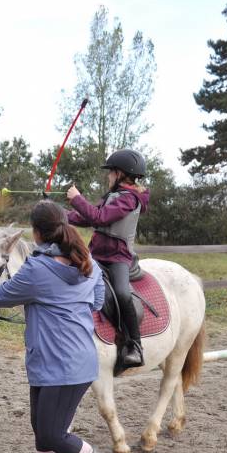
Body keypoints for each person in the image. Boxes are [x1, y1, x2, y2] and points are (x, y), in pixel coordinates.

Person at [0, 200, 129, 453]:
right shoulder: (89, 263)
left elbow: (4, 294)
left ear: (36, 233)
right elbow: (97, 301)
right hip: (53, 360)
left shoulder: (37, 269)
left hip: (64, 366)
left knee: (53, 433)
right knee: (41, 428)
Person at [66, 148, 150, 370]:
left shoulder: (129, 199)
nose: (108, 176)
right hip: (96, 254)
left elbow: (100, 217)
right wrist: (59, 214)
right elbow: (88, 218)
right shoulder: (113, 196)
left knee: (122, 293)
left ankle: (134, 345)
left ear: (120, 173)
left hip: (117, 258)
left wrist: (77, 199)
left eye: (111, 172)